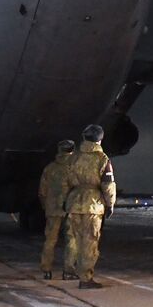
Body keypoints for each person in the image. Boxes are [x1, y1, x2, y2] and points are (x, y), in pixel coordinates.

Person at [60, 123, 116, 289]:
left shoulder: (73, 158)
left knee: (73, 240)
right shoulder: (102, 159)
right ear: (100, 139)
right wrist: (110, 203)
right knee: (90, 242)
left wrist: (65, 201)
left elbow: (65, 182)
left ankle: (69, 270)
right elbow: (108, 184)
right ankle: (85, 278)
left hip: (74, 202)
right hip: (93, 205)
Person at [38, 139, 76, 279]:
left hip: (53, 208)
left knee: (50, 240)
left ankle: (46, 270)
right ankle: (69, 271)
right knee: (72, 240)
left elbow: (42, 191)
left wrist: (45, 205)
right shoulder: (75, 167)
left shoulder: (50, 168)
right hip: (71, 208)